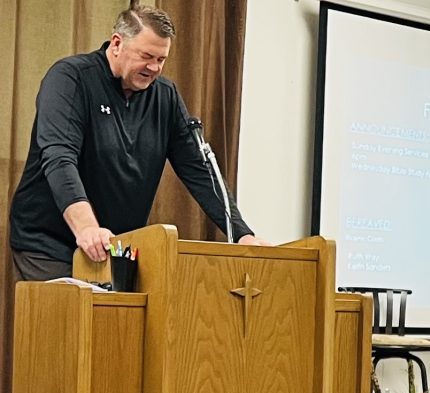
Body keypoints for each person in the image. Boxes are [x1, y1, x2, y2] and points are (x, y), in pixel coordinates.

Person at [9, 4, 268, 281]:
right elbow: (59, 156)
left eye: (161, 59)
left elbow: (199, 171)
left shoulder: (165, 97)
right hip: (49, 243)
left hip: (115, 245)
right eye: (147, 56)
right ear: (117, 43)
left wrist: (242, 234)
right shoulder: (71, 79)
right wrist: (86, 228)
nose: (154, 68)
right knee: (71, 320)